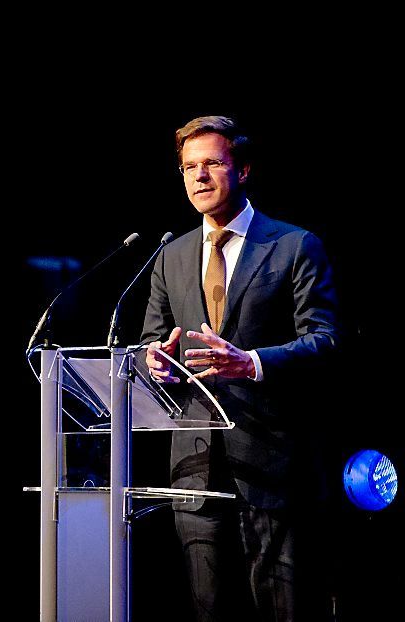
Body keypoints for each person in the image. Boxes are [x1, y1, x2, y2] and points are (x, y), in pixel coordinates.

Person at [141, 115, 339, 621]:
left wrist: (248, 363)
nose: (199, 177)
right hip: (195, 469)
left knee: (287, 610)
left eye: (212, 163)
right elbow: (150, 340)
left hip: (274, 466)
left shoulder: (294, 246)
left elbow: (325, 341)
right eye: (189, 167)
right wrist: (154, 361)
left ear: (244, 169)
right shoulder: (170, 255)